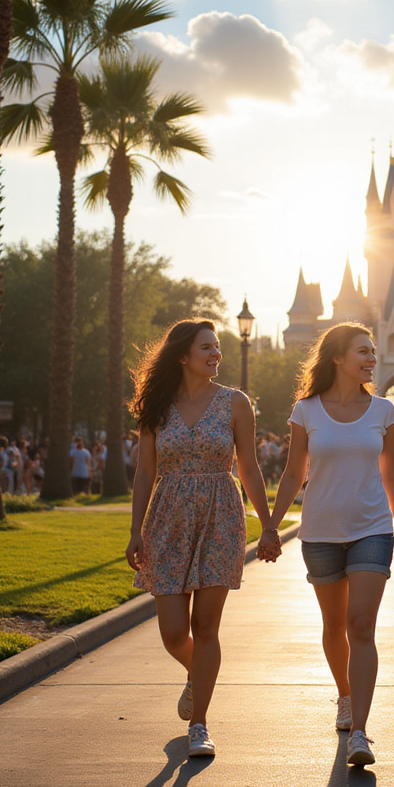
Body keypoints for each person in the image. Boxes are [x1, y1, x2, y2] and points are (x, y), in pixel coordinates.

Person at [126, 319, 278, 759]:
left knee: (204, 627)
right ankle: (199, 676)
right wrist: (135, 531)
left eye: (218, 347)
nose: (216, 354)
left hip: (221, 517)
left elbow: (249, 467)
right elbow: (144, 473)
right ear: (182, 356)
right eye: (207, 347)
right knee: (174, 633)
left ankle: (200, 724)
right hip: (168, 518)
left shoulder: (235, 402)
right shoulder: (156, 406)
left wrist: (267, 525)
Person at [267, 323, 394, 768]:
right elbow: (293, 473)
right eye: (363, 351)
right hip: (321, 532)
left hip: (372, 529)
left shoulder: (384, 410)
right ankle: (344, 696)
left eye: (373, 351)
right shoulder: (306, 410)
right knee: (334, 626)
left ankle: (361, 733)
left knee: (361, 624)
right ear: (338, 359)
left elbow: (391, 474)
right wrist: (271, 527)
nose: (372, 358)